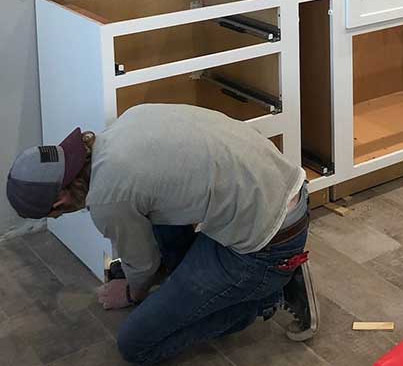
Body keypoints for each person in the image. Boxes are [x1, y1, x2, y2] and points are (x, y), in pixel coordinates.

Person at [6, 103, 319, 364]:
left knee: (136, 344)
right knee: (154, 219)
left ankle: (269, 295)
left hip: (264, 245)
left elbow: (140, 266)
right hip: (283, 188)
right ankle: (222, 280)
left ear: (59, 201)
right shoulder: (122, 126)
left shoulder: (107, 198)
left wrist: (131, 291)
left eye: (56, 214)